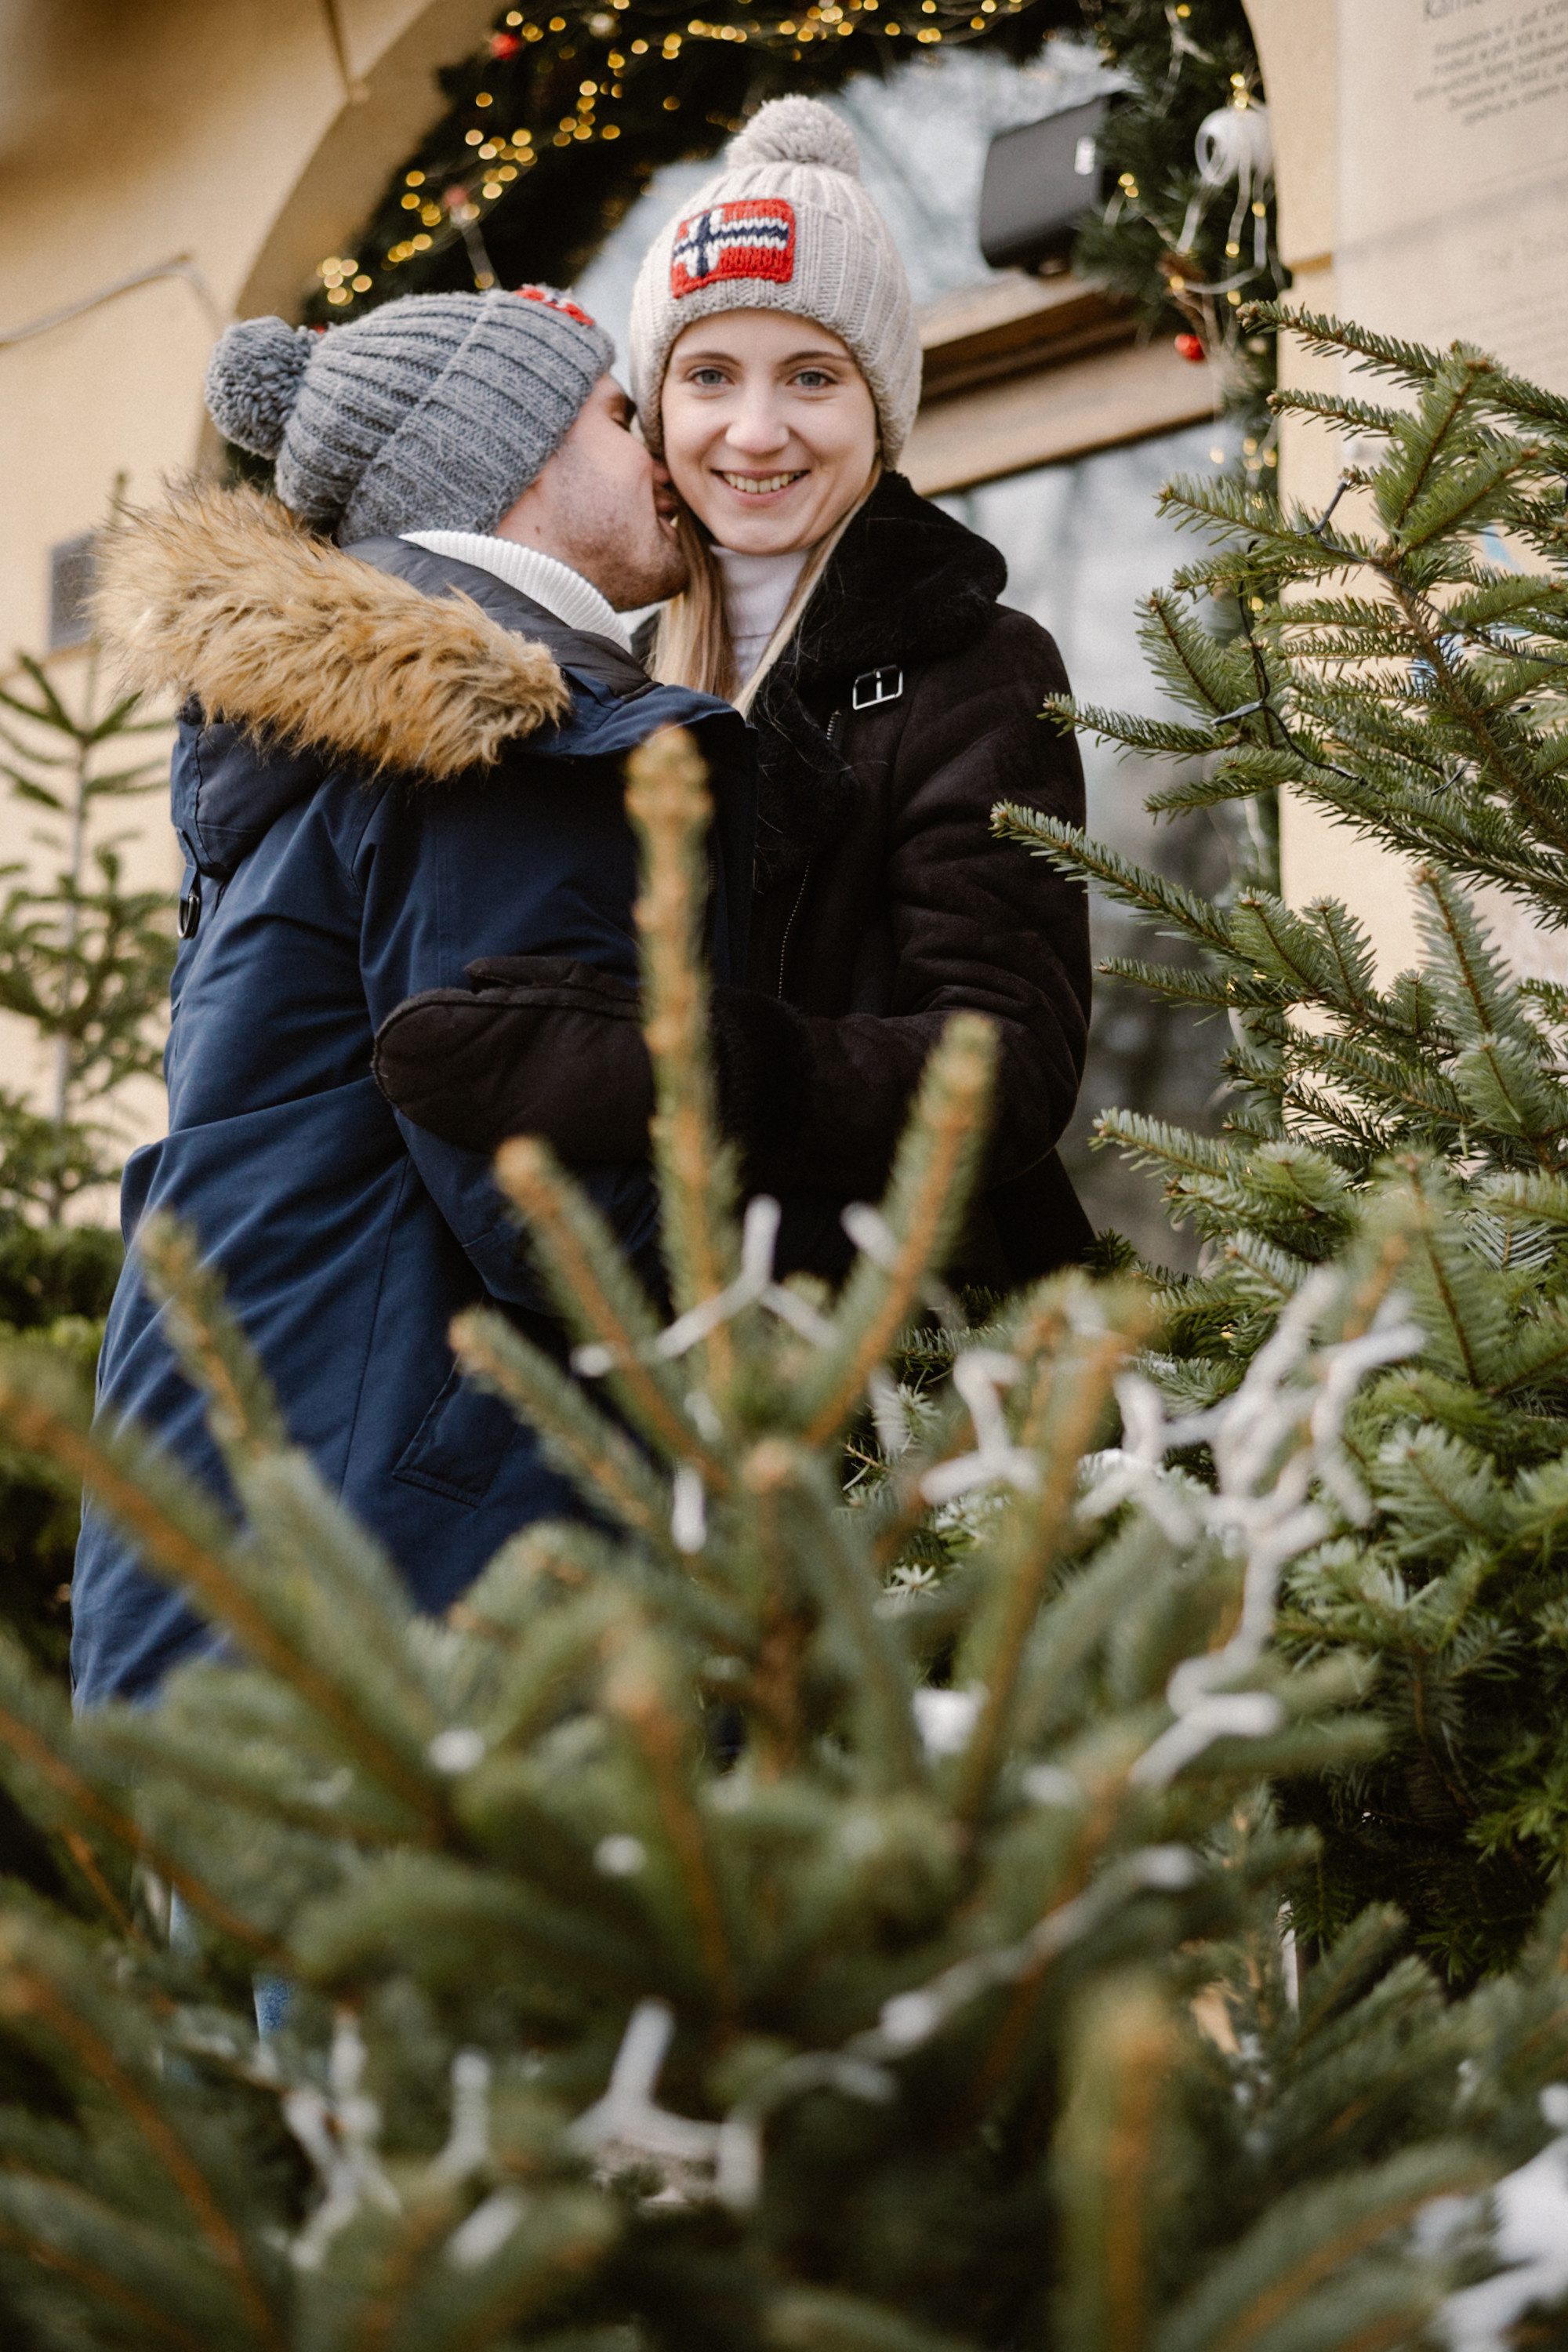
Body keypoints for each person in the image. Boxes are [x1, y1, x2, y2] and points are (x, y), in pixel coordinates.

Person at [74, 285, 753, 1706]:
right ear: (506, 461)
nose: (663, 458)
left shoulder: (325, 748)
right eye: (622, 416)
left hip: (238, 1540)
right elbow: (556, 1207)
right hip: (405, 1568)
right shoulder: (491, 742)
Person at [373, 99, 1092, 1289]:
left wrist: (679, 1072)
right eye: (709, 375)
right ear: (658, 414)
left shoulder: (979, 664)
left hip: (910, 1343)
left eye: (811, 376)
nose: (755, 433)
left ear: (880, 410)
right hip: (648, 1343)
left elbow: (1011, 1068)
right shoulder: (608, 669)